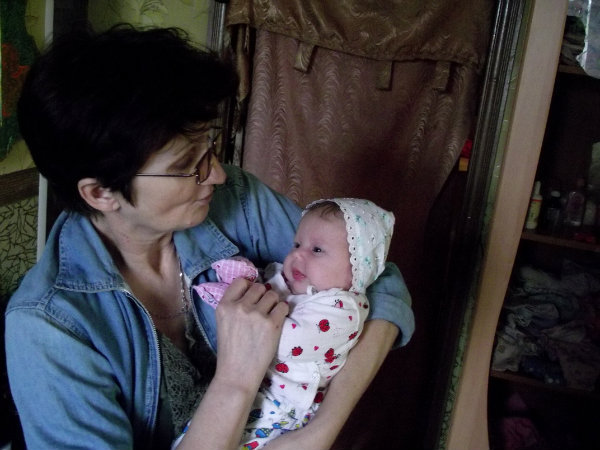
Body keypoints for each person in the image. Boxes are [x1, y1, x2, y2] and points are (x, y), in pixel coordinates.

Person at [4, 24, 415, 450]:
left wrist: (320, 432)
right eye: (188, 164)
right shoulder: (49, 327)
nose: (216, 174)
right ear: (100, 193)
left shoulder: (231, 198)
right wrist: (236, 380)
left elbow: (377, 276)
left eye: (210, 147)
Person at [174, 198, 395, 449]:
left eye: (317, 250)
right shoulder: (293, 281)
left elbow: (283, 342)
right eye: (297, 244)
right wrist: (244, 281)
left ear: (358, 269)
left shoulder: (343, 310)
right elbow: (265, 290)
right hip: (259, 392)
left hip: (284, 409)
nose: (298, 254)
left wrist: (248, 315)